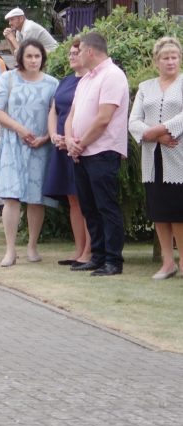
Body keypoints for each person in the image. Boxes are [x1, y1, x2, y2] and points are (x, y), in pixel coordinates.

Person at [65, 32, 129, 276]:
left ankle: (113, 260)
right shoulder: (85, 80)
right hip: (81, 152)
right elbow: (73, 113)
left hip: (102, 151)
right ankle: (98, 255)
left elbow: (104, 118)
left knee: (106, 206)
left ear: (90, 52)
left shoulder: (112, 76)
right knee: (89, 207)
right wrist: (70, 139)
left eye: (79, 50)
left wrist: (80, 144)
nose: (77, 55)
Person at [0, 39, 58, 267]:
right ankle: (10, 250)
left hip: (40, 145)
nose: (33, 60)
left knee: (35, 198)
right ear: (21, 58)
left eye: (37, 56)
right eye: (29, 56)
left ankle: (32, 246)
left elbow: (56, 114)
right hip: (12, 143)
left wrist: (46, 137)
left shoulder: (52, 84)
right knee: (11, 196)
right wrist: (19, 129)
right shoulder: (7, 79)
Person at [128, 36, 183, 280]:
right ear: (156, 60)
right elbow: (133, 122)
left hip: (178, 156)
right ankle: (167, 262)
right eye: (165, 57)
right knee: (159, 212)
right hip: (153, 158)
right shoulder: (145, 87)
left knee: (179, 213)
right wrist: (153, 136)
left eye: (174, 57)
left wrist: (160, 129)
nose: (170, 62)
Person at [44, 40, 91, 267]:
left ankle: (90, 251)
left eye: (76, 52)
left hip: (81, 147)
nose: (72, 56)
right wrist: (54, 135)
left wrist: (72, 139)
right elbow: (54, 111)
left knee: (86, 199)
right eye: (70, 53)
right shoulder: (65, 81)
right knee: (73, 200)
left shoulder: (92, 81)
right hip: (61, 146)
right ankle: (78, 249)